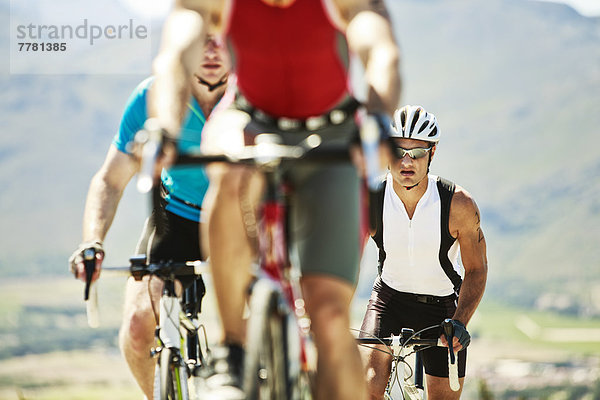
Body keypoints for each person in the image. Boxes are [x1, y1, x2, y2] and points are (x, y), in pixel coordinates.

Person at [148, 1, 402, 399]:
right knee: (229, 165)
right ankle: (230, 350)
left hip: (331, 136)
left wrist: (379, 118)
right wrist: (163, 126)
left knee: (331, 318)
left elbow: (381, 52)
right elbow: (174, 59)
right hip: (249, 120)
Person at [68, 37, 230, 400]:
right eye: (201, 41)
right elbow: (110, 180)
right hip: (178, 215)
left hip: (240, 216)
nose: (210, 52)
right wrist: (93, 241)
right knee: (140, 327)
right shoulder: (152, 97)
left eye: (220, 41)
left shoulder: (252, 95)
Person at [358, 105, 488, 399]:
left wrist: (460, 321)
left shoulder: (458, 205)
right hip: (387, 301)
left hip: (441, 310)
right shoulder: (370, 200)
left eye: (416, 153)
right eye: (398, 151)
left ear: (432, 154)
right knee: (366, 390)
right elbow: (349, 260)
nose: (406, 161)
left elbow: (477, 269)